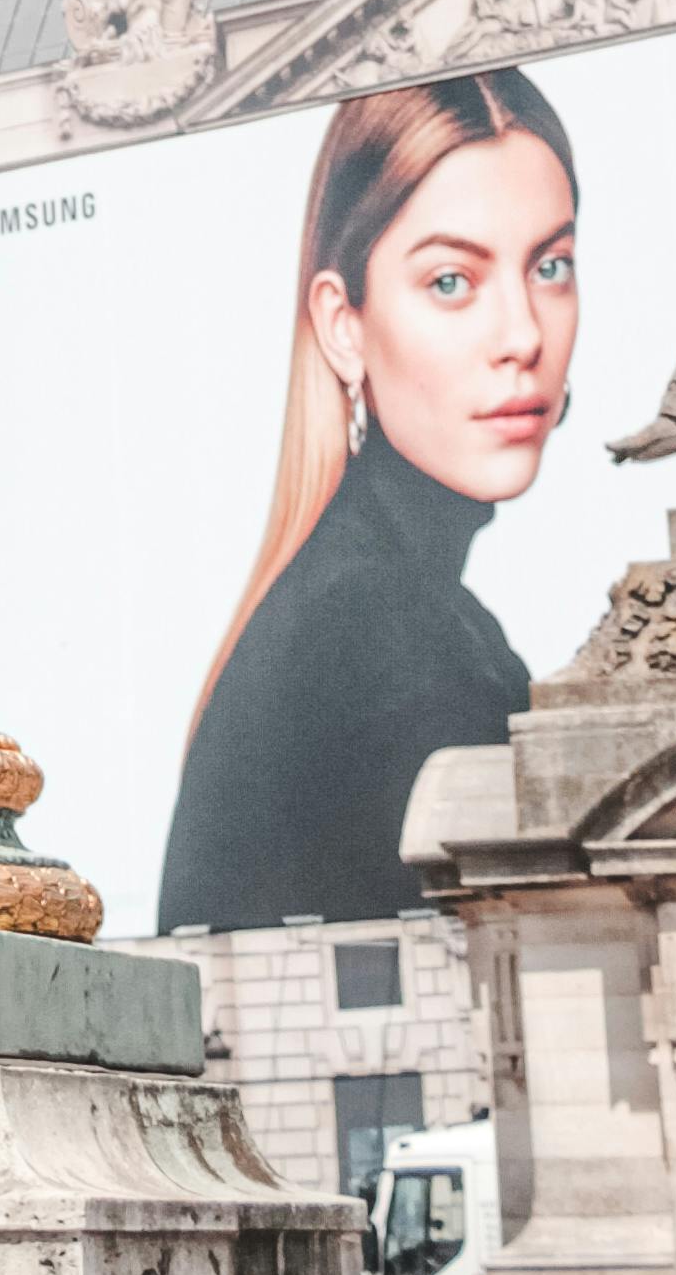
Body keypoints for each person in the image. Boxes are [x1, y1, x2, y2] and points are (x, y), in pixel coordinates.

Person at [159, 67, 580, 932]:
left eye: (550, 266)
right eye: (452, 282)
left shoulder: (366, 595)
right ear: (343, 324)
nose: (525, 336)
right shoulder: (382, 625)